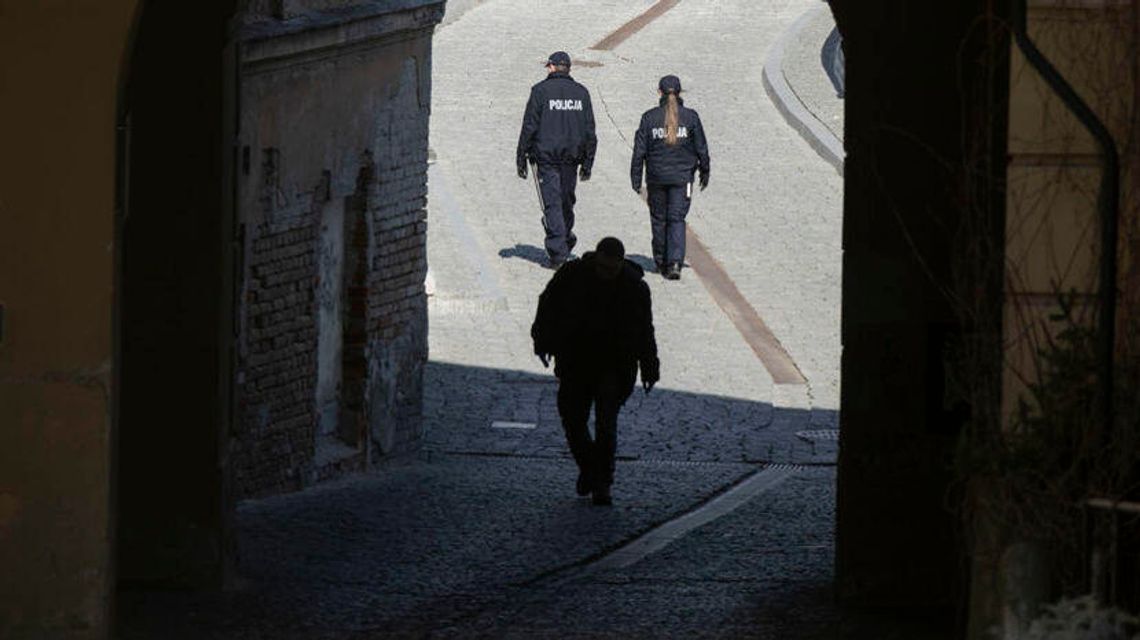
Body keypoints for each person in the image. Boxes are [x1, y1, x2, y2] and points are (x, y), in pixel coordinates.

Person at [531, 237, 659, 506]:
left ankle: (603, 482)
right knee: (572, 419)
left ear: (621, 265)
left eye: (611, 270)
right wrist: (542, 341)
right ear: (596, 260)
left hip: (615, 366)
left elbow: (645, 331)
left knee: (606, 424)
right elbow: (547, 306)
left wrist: (649, 367)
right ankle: (590, 468)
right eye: (602, 268)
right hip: (576, 362)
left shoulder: (634, 288)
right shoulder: (572, 276)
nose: (606, 275)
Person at [517, 51, 598, 269]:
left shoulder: (540, 92)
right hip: (571, 159)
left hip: (546, 158)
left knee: (553, 204)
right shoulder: (581, 93)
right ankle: (563, 239)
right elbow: (590, 130)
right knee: (565, 201)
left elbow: (529, 126)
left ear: (552, 67)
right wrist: (588, 162)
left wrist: (520, 157)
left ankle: (559, 251)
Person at [630, 74, 710, 280]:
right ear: (680, 92)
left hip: (656, 177)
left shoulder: (649, 118)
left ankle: (660, 260)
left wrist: (636, 178)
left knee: (658, 218)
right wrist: (705, 171)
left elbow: (639, 151)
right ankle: (674, 262)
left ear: (659, 93)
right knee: (676, 218)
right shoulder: (691, 117)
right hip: (683, 179)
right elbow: (701, 147)